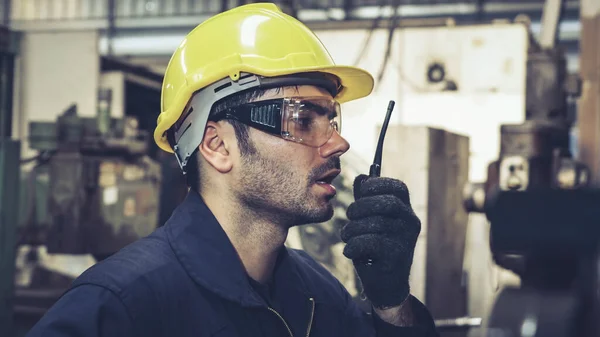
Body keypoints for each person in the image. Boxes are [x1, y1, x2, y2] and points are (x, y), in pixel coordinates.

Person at [26, 3, 437, 337]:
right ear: (218, 146)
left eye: (332, 120)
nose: (338, 143)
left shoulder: (315, 294)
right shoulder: (121, 306)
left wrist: (392, 305)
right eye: (301, 118)